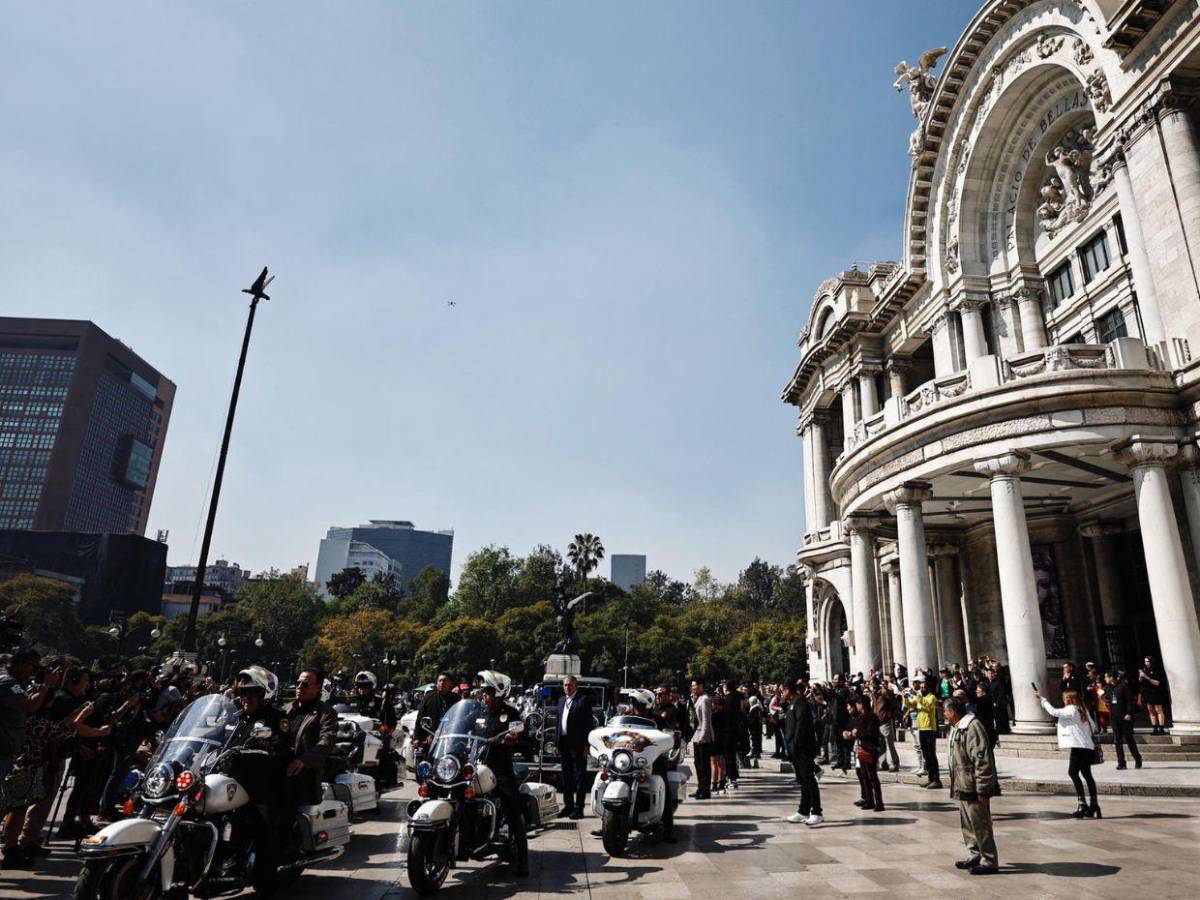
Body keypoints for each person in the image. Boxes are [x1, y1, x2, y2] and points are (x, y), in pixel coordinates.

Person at [479, 675, 528, 876]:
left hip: (499, 766)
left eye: (488, 692)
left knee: (512, 806)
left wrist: (513, 739)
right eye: (484, 692)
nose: (484, 696)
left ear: (499, 693)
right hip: (476, 765)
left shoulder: (510, 713)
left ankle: (523, 860)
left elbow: (525, 740)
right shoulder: (477, 712)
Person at [944, 696, 999, 875]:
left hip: (973, 785)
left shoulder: (972, 727)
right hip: (961, 784)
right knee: (967, 823)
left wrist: (983, 788)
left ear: (953, 712)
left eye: (945, 711)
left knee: (980, 823)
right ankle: (975, 853)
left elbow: (982, 760)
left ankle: (989, 860)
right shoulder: (956, 728)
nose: (944, 715)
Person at [1036, 687, 1100, 819]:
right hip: (1087, 746)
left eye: (1065, 698)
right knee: (1087, 775)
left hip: (1078, 746)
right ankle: (1094, 805)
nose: (1063, 700)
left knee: (1073, 772)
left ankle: (1082, 804)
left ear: (1069, 699)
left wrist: (1042, 700)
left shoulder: (1071, 709)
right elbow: (1093, 727)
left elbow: (1053, 711)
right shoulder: (1082, 709)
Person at [0, 650, 59, 783]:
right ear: (21, 663)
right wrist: (46, 685)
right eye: (34, 667)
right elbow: (29, 706)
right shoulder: (8, 682)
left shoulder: (10, 680)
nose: (34, 672)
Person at [286, 668, 338, 806]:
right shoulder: (286, 709)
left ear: (317, 687)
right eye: (297, 683)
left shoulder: (326, 713)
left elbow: (327, 741)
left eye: (305, 684)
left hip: (304, 776)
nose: (299, 687)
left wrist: (303, 760)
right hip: (279, 769)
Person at [783, 680, 823, 826]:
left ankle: (817, 811)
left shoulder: (799, 702)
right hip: (795, 748)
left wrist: (796, 744)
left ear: (788, 690)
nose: (782, 694)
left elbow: (801, 724)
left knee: (808, 779)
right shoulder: (792, 703)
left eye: (783, 691)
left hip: (802, 747)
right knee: (803, 780)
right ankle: (803, 810)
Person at [555, 674, 591, 819]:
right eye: (565, 685)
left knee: (580, 776)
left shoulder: (583, 700)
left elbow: (588, 724)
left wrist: (587, 744)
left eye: (569, 685)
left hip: (578, 743)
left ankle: (579, 807)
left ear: (575, 685)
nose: (567, 687)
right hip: (564, 743)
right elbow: (558, 723)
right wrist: (557, 743)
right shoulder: (561, 700)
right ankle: (568, 805)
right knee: (566, 776)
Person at [903, 677, 942, 788]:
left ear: (929, 688)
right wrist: (906, 697)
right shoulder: (920, 697)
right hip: (922, 728)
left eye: (924, 687)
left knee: (931, 754)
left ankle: (937, 779)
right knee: (926, 755)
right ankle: (930, 777)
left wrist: (918, 697)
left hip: (930, 728)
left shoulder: (932, 697)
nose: (922, 689)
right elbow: (910, 705)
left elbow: (926, 706)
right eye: (921, 687)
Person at [848, 694, 884, 812]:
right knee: (864, 775)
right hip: (862, 748)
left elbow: (871, 733)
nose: (856, 706)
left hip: (870, 748)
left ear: (862, 705)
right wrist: (851, 734)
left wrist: (856, 733)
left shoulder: (872, 717)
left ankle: (879, 802)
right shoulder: (861, 717)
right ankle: (869, 800)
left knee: (872, 776)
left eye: (858, 704)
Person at [1104, 671, 1141, 770]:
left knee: (1129, 739)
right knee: (1117, 740)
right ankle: (1121, 762)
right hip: (1114, 716)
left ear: (1112, 677)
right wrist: (1104, 699)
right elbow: (1107, 698)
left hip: (1124, 716)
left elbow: (1129, 701)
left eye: (1106, 677)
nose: (1105, 679)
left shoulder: (1123, 686)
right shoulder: (1107, 688)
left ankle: (1137, 759)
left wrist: (1129, 713)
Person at [416, 672, 459, 745]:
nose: (442, 683)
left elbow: (461, 717)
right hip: (431, 737)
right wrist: (417, 738)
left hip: (451, 737)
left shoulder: (456, 698)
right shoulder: (428, 698)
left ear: (450, 683)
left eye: (445, 681)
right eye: (440, 680)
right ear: (436, 683)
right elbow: (420, 718)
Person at [690, 679, 713, 799]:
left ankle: (706, 790)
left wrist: (703, 735)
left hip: (703, 736)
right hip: (696, 735)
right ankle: (700, 787)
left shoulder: (705, 699)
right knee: (698, 763)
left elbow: (706, 720)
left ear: (701, 686)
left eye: (695, 686)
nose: (693, 688)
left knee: (704, 764)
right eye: (692, 686)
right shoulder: (697, 698)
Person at [874, 681, 901, 772]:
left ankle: (893, 763)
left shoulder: (887, 695)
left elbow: (894, 706)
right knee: (881, 745)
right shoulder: (876, 695)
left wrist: (892, 717)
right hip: (877, 723)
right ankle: (883, 763)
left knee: (889, 744)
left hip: (885, 722)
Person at [1138, 657, 1169, 735]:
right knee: (1151, 711)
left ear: (1151, 661)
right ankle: (1155, 728)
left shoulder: (1156, 670)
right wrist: (1140, 676)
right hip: (1147, 693)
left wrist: (1146, 677)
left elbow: (1157, 683)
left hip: (1155, 693)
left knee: (1158, 710)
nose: (1145, 663)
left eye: (1147, 661)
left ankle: (1161, 728)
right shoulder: (1144, 670)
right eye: (1145, 661)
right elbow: (1140, 682)